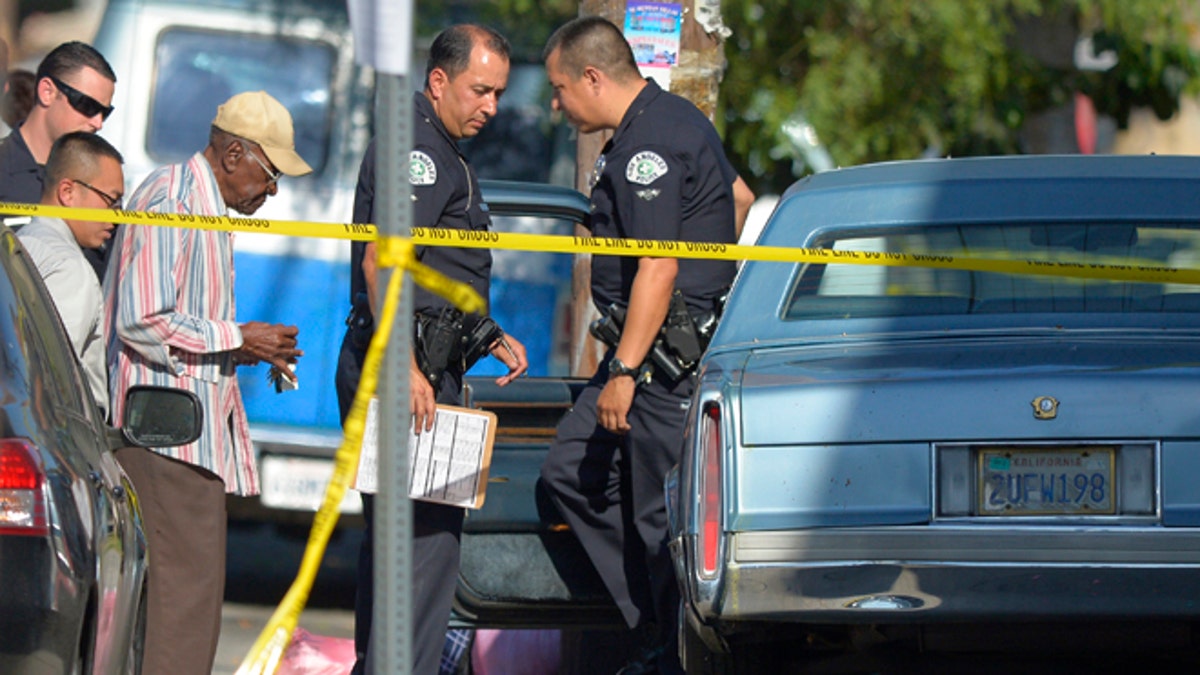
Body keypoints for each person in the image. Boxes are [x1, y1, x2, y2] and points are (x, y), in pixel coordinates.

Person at [538, 16, 751, 674]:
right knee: (569, 471)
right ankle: (654, 626)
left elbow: (657, 265)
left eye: (559, 88)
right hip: (655, 347)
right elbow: (739, 197)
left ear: (592, 78)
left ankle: (677, 651)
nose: (556, 105)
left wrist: (627, 369)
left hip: (658, 363)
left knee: (661, 519)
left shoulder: (646, 147)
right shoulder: (674, 119)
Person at [334, 24, 529, 675]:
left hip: (417, 366)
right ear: (438, 80)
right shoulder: (419, 149)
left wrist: (483, 332)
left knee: (408, 556)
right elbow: (382, 263)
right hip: (404, 374)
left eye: (499, 93)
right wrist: (407, 366)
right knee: (422, 556)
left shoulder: (437, 147)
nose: (491, 106)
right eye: (481, 90)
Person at [105, 90, 310, 675]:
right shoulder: (171, 198)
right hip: (166, 440)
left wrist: (246, 349)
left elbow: (177, 325)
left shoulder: (206, 207)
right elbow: (142, 318)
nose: (273, 191)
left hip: (188, 440)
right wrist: (237, 336)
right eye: (271, 174)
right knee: (181, 616)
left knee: (187, 613)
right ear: (234, 154)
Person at [16, 131, 123, 415]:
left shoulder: (19, 245)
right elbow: (53, 381)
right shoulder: (70, 268)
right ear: (68, 192)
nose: (117, 215)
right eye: (111, 200)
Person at [0, 41, 116, 278]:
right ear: (47, 92)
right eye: (87, 105)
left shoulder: (102, 186)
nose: (98, 123)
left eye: (105, 112)